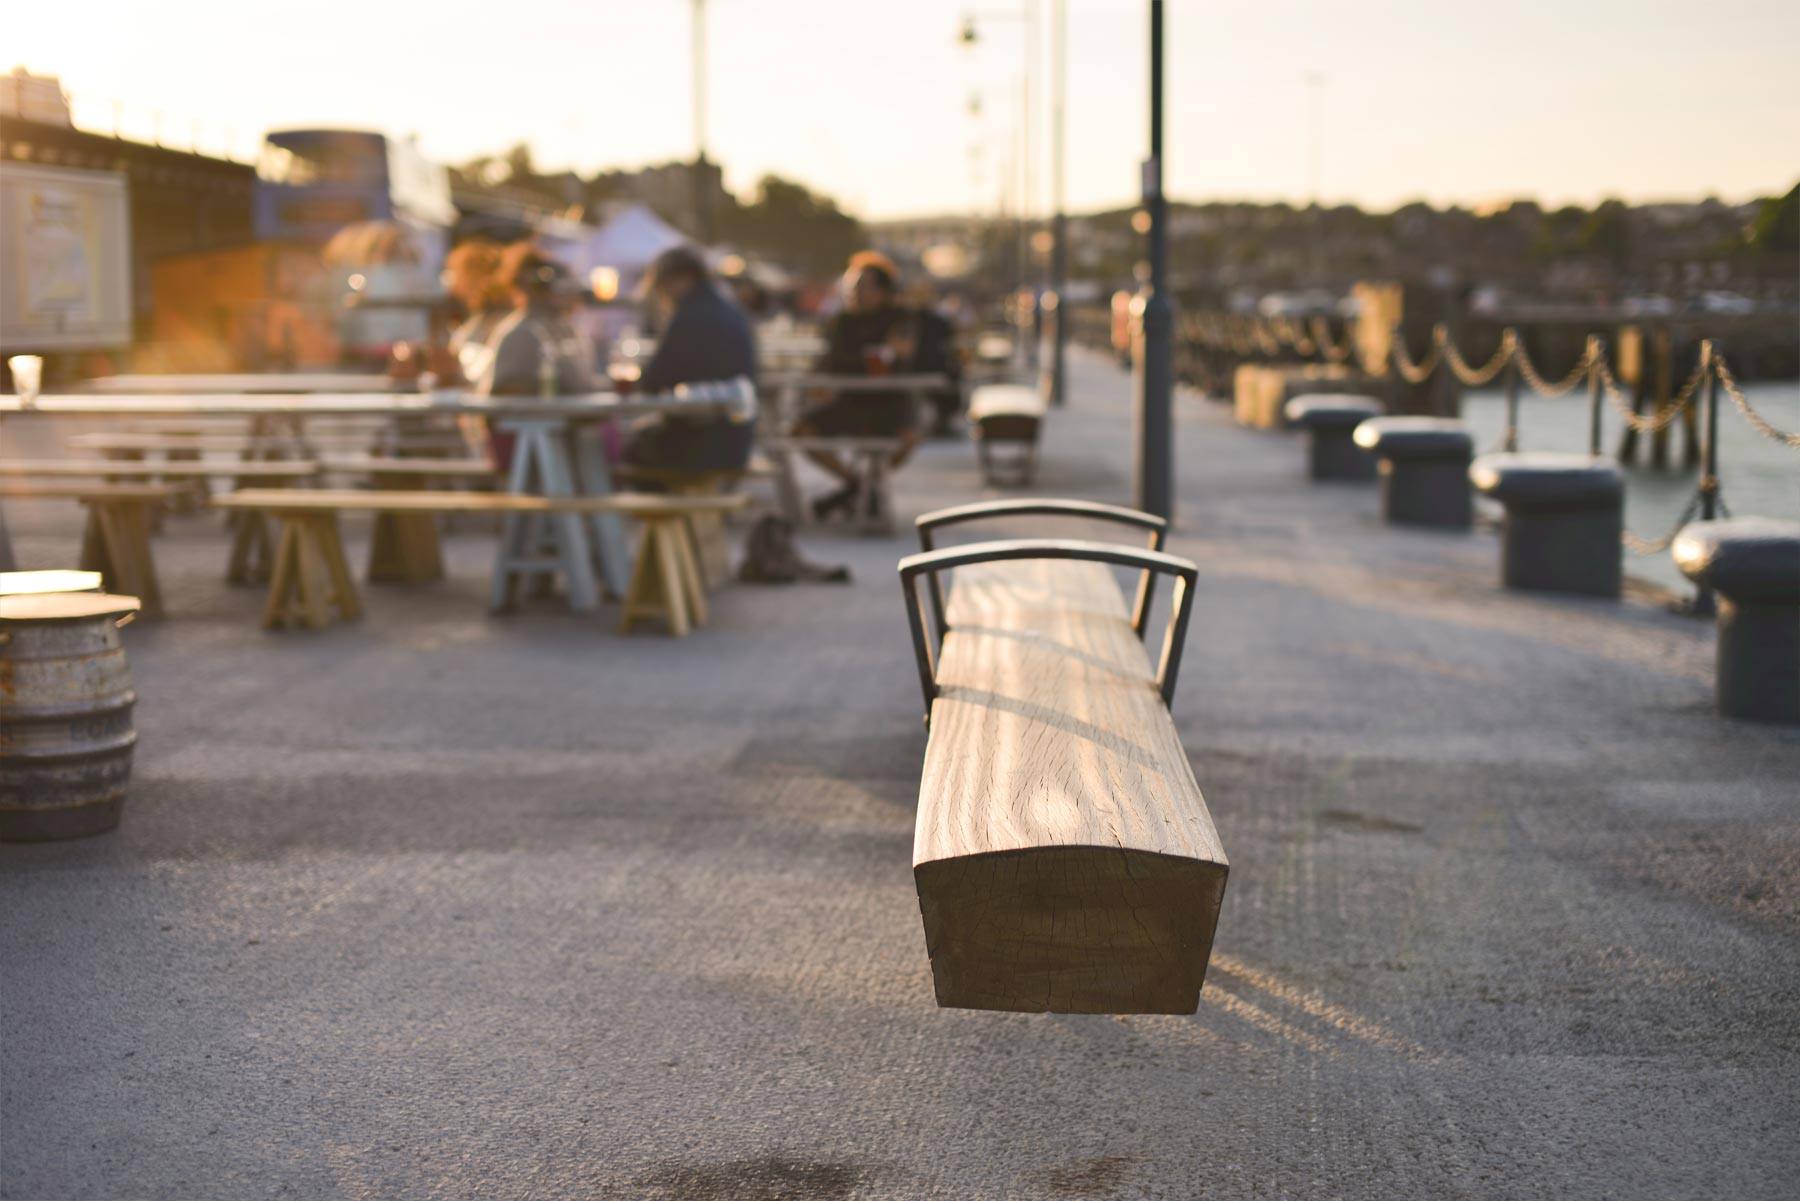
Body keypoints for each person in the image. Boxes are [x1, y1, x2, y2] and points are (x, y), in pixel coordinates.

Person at [793, 253, 924, 520]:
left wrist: (859, 361)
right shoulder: (841, 321)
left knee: (909, 438)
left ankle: (865, 487)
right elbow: (830, 362)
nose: (854, 292)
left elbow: (901, 358)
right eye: (852, 285)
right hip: (850, 402)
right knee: (801, 432)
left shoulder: (901, 318)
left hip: (891, 404)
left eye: (862, 286)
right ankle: (860, 485)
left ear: (883, 292)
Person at [621, 246, 758, 474]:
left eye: (661, 286)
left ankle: (663, 510)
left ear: (681, 279)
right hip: (736, 440)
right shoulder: (728, 309)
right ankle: (679, 509)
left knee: (626, 453)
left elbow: (654, 382)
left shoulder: (689, 316)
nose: (662, 294)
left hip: (704, 446)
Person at [475, 245, 598, 472]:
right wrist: (554, 390)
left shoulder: (564, 329)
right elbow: (504, 391)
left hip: (556, 433)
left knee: (602, 437)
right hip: (523, 438)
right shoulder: (520, 332)